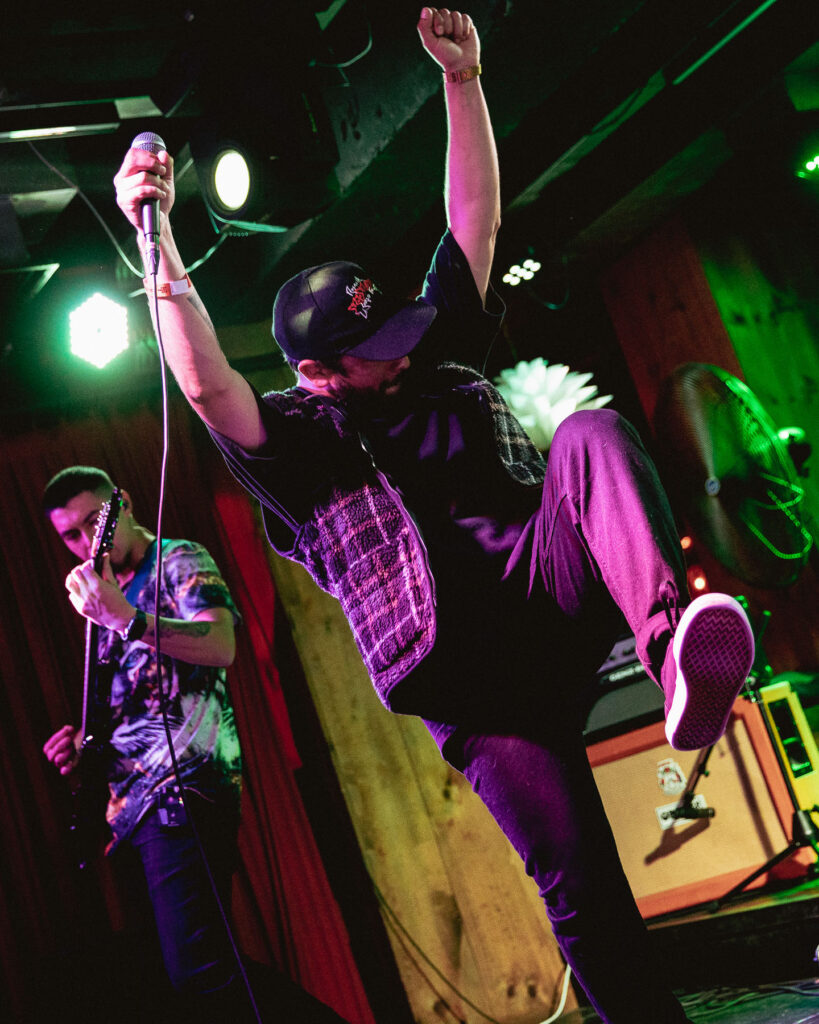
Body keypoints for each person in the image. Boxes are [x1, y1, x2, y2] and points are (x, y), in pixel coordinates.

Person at [113, 7, 755, 1022]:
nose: (405, 351)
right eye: (377, 352)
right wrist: (153, 234)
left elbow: (472, 223)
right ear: (320, 373)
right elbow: (205, 384)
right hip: (470, 679)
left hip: (546, 592)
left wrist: (464, 81)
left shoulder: (428, 348)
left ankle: (672, 649)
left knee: (589, 436)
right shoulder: (299, 447)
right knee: (579, 886)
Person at [42, 466, 347, 1023]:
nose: (88, 541)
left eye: (93, 521)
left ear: (121, 504)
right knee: (180, 981)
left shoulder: (177, 559)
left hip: (181, 787)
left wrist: (128, 620)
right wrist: (84, 745)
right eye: (71, 534)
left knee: (200, 969)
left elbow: (221, 644)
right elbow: (135, 701)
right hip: (130, 810)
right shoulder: (104, 598)